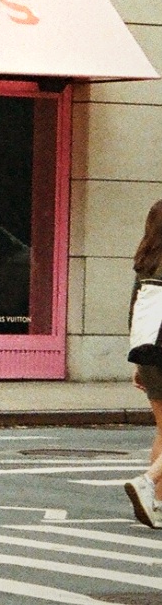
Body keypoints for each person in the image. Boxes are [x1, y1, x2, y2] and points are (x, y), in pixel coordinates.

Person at [125, 198, 162, 528]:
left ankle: (157, 502)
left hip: (149, 351)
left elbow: (135, 312)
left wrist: (138, 362)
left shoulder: (145, 263)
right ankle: (148, 481)